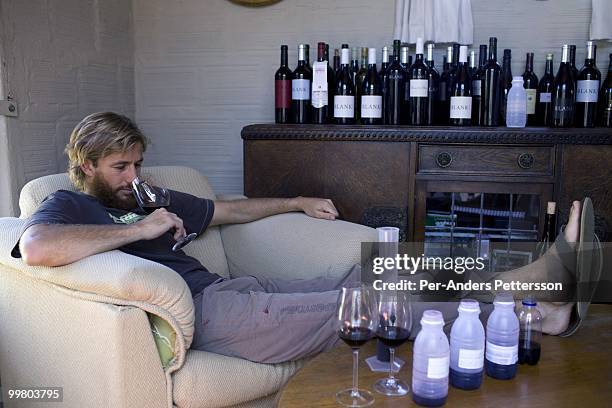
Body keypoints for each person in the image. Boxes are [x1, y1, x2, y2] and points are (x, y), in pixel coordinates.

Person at [16, 112, 582, 364]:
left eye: (138, 163)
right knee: (370, 307)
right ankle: (536, 315)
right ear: (86, 165)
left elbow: (228, 212)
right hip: (211, 318)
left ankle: (517, 279)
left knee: (377, 269)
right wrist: (143, 229)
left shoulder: (145, 193)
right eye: (121, 166)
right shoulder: (68, 203)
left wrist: (294, 201)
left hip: (237, 289)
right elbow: (37, 249)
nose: (135, 176)